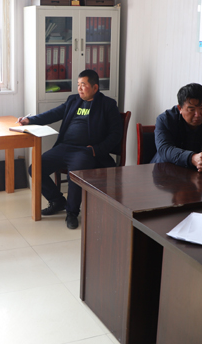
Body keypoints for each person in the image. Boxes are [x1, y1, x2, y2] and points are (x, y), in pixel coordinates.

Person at [17, 69, 123, 229]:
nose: (79, 88)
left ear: (95, 87)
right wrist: (30, 120)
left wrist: (96, 149)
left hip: (85, 151)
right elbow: (53, 114)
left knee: (75, 174)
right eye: (78, 84)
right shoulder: (73, 100)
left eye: (83, 85)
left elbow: (116, 134)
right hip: (64, 147)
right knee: (35, 168)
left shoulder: (107, 104)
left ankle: (72, 212)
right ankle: (57, 201)